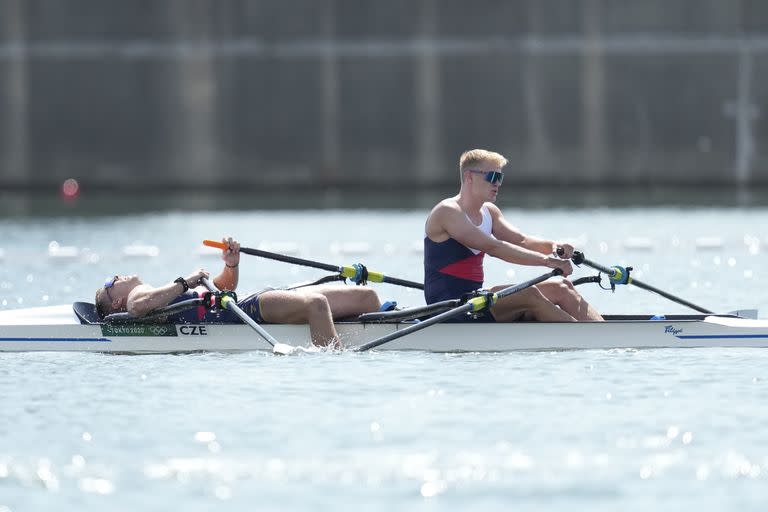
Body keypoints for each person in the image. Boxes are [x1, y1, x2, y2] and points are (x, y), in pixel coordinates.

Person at [94, 237, 382, 347]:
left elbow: (224, 287)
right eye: (110, 282)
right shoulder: (136, 299)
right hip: (248, 313)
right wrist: (186, 282)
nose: (117, 276)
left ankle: (387, 329)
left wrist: (231, 265)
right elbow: (137, 309)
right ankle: (337, 367)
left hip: (245, 303)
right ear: (115, 300)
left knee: (366, 297)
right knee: (317, 304)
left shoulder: (161, 294)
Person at [424, 149, 603, 322]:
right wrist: (549, 262)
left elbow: (521, 240)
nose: (497, 184)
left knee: (562, 287)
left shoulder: (490, 212)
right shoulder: (448, 212)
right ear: (469, 176)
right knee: (529, 294)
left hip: (477, 300)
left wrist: (554, 247)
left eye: (500, 177)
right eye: (492, 177)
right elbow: (494, 247)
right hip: (450, 308)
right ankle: (584, 338)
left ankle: (602, 335)